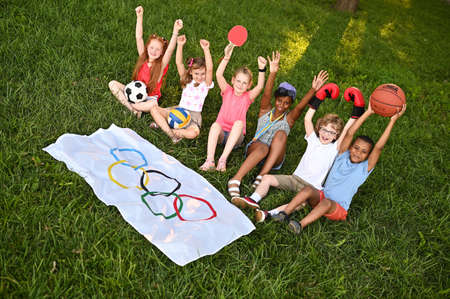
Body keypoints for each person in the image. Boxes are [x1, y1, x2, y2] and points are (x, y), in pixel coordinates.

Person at [268, 102, 407, 234]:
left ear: (368, 156)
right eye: (356, 148)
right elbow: (350, 133)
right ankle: (284, 214)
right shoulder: (342, 154)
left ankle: (300, 225)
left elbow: (379, 147)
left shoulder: (365, 168)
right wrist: (368, 112)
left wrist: (392, 121)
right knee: (308, 189)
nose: (358, 153)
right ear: (350, 147)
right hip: (321, 196)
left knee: (327, 203)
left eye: (364, 152)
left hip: (337, 208)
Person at [231, 81, 357, 211]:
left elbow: (348, 130)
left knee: (302, 202)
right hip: (294, 179)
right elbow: (307, 119)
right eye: (324, 130)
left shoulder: (334, 148)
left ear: (336, 136)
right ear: (318, 129)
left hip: (311, 187)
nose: (326, 134)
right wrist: (319, 96)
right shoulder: (313, 139)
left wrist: (357, 108)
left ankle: (270, 213)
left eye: (331, 132)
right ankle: (252, 199)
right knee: (267, 179)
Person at [227, 52, 331, 199]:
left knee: (281, 134)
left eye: (286, 103)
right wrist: (273, 72)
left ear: (290, 104)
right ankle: (236, 179)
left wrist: (313, 89)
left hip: (274, 158)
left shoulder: (288, 119)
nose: (282, 105)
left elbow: (300, 108)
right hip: (256, 149)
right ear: (275, 100)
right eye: (279, 101)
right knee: (263, 147)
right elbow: (266, 94)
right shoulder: (265, 110)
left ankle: (261, 176)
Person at [199, 43, 267, 172]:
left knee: (238, 124)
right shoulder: (227, 90)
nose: (240, 85)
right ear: (233, 80)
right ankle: (210, 160)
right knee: (215, 125)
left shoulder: (248, 97)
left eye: (244, 83)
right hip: (220, 135)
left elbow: (259, 87)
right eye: (238, 81)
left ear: (248, 86)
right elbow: (219, 75)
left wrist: (261, 69)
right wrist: (226, 57)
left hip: (235, 138)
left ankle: (222, 160)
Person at [108, 6, 182, 118]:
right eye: (151, 47)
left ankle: (134, 106)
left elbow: (170, 50)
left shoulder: (161, 65)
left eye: (158, 49)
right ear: (147, 47)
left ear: (162, 53)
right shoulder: (143, 57)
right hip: (134, 91)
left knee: (153, 104)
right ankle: (132, 109)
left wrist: (175, 32)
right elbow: (139, 37)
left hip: (149, 97)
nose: (154, 51)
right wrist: (139, 16)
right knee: (112, 84)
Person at [147, 35, 214, 143]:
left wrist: (206, 50)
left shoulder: (205, 84)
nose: (200, 76)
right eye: (197, 73)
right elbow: (179, 63)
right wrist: (180, 45)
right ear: (191, 72)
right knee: (154, 109)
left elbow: (210, 69)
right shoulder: (187, 80)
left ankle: (165, 127)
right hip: (178, 110)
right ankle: (172, 133)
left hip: (193, 115)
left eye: (203, 74)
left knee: (193, 133)